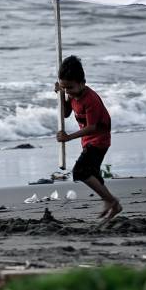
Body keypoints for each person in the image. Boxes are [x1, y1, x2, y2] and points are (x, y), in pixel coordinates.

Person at [55, 55, 122, 223]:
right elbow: (65, 113)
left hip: (99, 141)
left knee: (80, 172)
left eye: (70, 87)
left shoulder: (91, 99)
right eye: (65, 87)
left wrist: (68, 137)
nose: (68, 91)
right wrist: (60, 96)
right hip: (89, 141)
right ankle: (113, 204)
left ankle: (111, 200)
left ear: (82, 83)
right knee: (93, 174)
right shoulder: (72, 94)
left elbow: (92, 127)